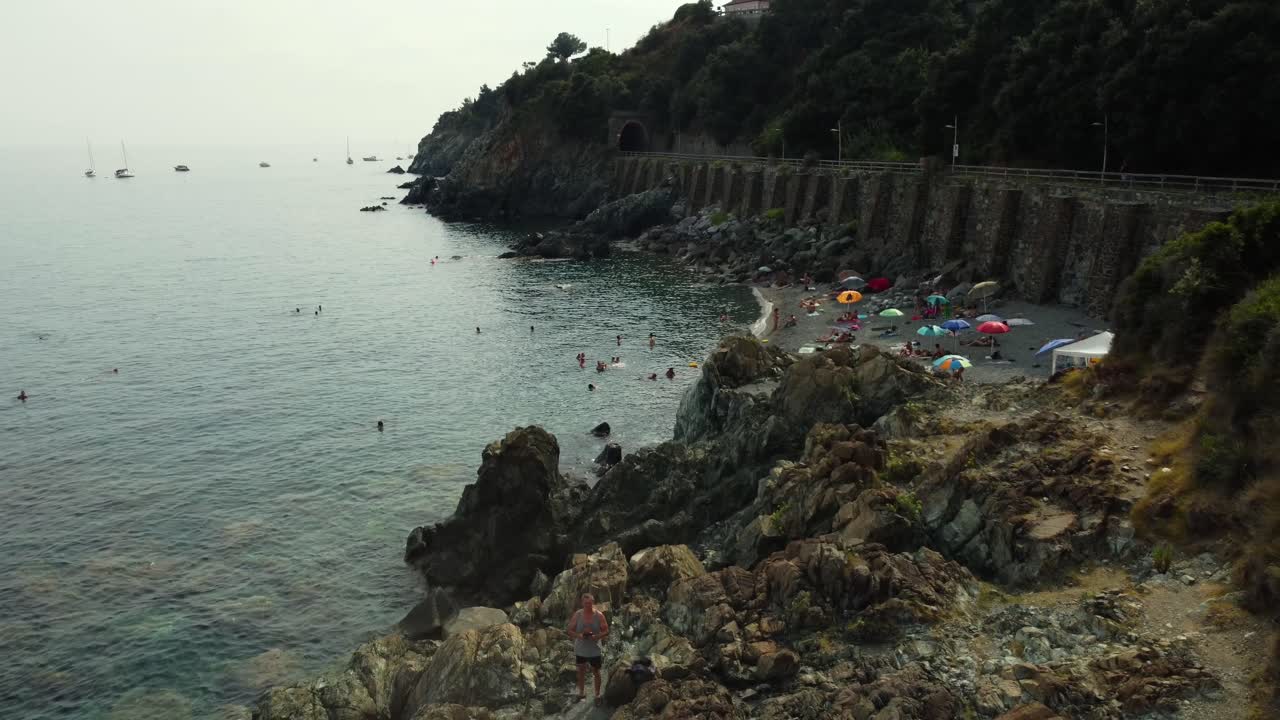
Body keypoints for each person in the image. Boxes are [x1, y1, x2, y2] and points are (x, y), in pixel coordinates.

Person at [567, 593, 609, 702]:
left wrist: (597, 636)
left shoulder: (599, 615)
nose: (588, 605)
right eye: (586, 603)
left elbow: (606, 630)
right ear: (582, 603)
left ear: (593, 603)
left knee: (596, 671)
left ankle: (597, 695)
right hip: (581, 649)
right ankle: (581, 693)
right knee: (581, 671)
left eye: (590, 603)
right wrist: (579, 635)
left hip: (595, 650)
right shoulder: (578, 615)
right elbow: (570, 630)